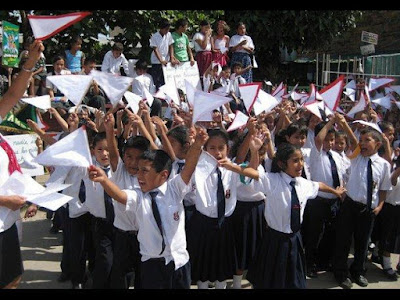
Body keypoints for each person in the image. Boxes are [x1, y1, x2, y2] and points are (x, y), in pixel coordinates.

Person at [88, 127, 208, 289]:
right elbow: (119, 196)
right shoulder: (138, 196)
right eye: (139, 171)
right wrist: (104, 180)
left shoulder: (175, 189)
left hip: (178, 261)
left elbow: (189, 167)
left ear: (163, 175)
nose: (139, 176)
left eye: (145, 171)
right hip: (152, 264)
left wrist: (198, 144)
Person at [227, 140, 346, 289]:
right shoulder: (272, 180)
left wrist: (335, 192)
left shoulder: (303, 183)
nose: (300, 164)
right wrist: (232, 165)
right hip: (274, 240)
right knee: (269, 280)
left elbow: (319, 185)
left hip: (294, 239)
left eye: (301, 160)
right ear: (283, 164)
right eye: (295, 161)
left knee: (293, 280)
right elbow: (252, 173)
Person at [0, 39, 43, 289]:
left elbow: (13, 94)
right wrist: (5, 200)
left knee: (13, 278)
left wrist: (30, 63)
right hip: (4, 212)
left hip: (6, 222)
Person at [332, 121, 392, 289]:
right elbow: (352, 139)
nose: (363, 143)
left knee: (362, 243)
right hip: (350, 205)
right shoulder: (356, 157)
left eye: (367, 140)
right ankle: (341, 272)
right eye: (362, 140)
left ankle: (358, 271)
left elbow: (383, 189)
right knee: (343, 240)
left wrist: (379, 206)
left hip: (368, 209)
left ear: (378, 144)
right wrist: (343, 124)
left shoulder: (384, 165)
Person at [103, 112, 152, 289]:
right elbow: (114, 153)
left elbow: (157, 151)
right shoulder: (120, 171)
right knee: (120, 274)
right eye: (129, 157)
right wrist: (109, 130)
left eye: (138, 158)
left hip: (143, 234)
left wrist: (144, 126)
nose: (133, 162)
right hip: (122, 234)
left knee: (143, 274)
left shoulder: (149, 176)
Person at [149, 18, 175, 90]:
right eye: (166, 29)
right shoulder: (154, 36)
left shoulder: (169, 35)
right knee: (157, 81)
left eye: (168, 29)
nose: (167, 31)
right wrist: (161, 60)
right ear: (161, 28)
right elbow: (155, 49)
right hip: (156, 62)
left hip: (166, 61)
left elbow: (171, 46)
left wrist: (172, 57)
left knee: (165, 81)